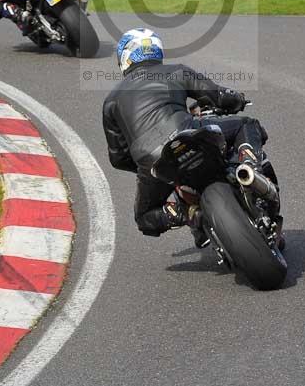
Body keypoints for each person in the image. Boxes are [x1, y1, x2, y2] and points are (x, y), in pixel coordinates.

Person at [102, 28, 282, 247]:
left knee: (145, 217)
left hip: (151, 161)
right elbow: (218, 96)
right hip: (186, 132)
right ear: (156, 51)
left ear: (124, 58)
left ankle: (185, 214)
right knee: (247, 124)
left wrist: (146, 167)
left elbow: (118, 158)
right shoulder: (175, 71)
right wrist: (238, 100)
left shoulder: (111, 100)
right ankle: (249, 168)